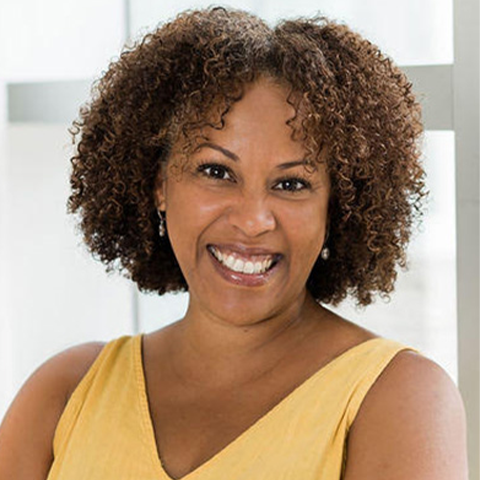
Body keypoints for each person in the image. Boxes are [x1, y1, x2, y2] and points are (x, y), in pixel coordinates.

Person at [0, 6, 469, 480]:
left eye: (291, 184)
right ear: (158, 184)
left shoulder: (398, 398)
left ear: (337, 206)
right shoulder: (64, 392)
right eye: (216, 172)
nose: (252, 221)